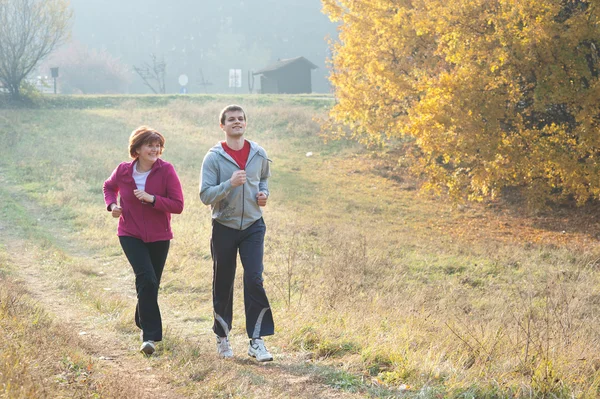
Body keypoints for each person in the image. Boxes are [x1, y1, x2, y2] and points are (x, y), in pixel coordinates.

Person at [200, 104, 274, 362]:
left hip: (254, 225)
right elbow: (205, 195)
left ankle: (256, 341)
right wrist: (229, 184)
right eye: (231, 119)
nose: (236, 122)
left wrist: (264, 195)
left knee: (254, 279)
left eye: (240, 119)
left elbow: (263, 180)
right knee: (224, 281)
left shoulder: (258, 153)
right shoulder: (213, 158)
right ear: (223, 126)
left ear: (245, 123)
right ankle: (222, 337)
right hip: (224, 226)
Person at [103, 126, 184, 356]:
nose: (155, 149)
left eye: (158, 145)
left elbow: (178, 205)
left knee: (151, 284)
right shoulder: (123, 171)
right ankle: (149, 336)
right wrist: (112, 205)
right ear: (137, 149)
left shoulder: (166, 170)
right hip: (130, 233)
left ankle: (141, 317)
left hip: (160, 237)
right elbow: (108, 186)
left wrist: (153, 199)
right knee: (146, 278)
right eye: (150, 144)